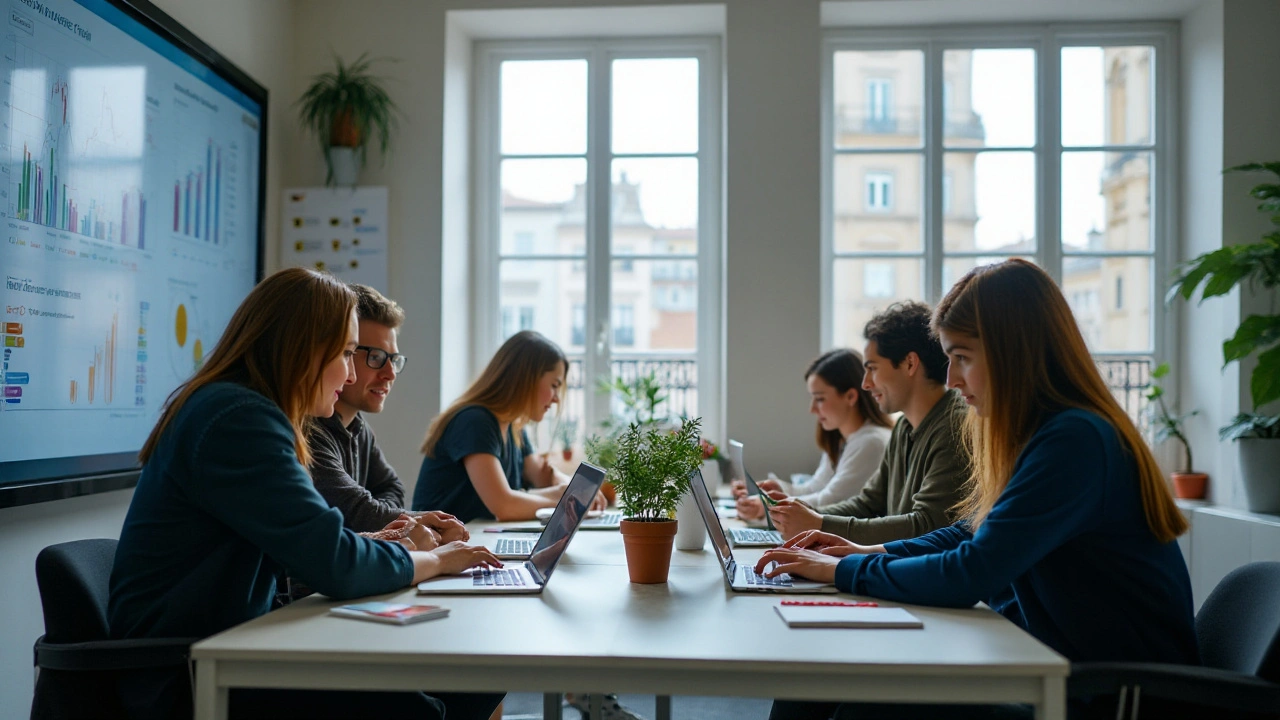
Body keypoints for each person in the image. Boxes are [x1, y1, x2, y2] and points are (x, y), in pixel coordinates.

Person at [758, 260, 1197, 720]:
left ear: (1015, 352)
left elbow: (973, 570)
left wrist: (841, 572)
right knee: (820, 679)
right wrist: (857, 553)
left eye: (962, 357)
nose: (950, 379)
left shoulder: (1075, 440)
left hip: (1110, 696)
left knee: (870, 710)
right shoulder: (1037, 434)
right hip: (1049, 669)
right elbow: (968, 533)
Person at [108, 267, 504, 720]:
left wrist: (378, 544)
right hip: (189, 672)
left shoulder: (247, 411)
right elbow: (333, 561)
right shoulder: (238, 419)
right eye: (347, 352)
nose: (351, 370)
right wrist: (438, 560)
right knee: (419, 709)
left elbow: (306, 546)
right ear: (305, 351)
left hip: (241, 643)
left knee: (471, 685)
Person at [763, 301, 970, 545]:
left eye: (872, 368)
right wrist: (805, 516)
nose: (866, 384)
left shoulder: (954, 427)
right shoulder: (904, 426)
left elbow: (926, 525)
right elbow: (869, 503)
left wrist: (819, 524)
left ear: (910, 364)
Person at [307, 283, 466, 544]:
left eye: (393, 359)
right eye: (377, 357)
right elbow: (356, 510)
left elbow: (390, 489)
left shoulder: (359, 428)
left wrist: (380, 517)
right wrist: (403, 523)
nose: (390, 373)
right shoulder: (309, 431)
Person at [413, 330, 603, 522]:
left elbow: (542, 476)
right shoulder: (474, 422)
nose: (555, 398)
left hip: (472, 540)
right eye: (554, 385)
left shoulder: (514, 428)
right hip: (438, 546)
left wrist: (579, 491)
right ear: (527, 379)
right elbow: (504, 506)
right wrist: (566, 498)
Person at [735, 348, 892, 521]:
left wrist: (767, 507)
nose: (812, 409)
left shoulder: (872, 443)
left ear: (850, 396)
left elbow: (831, 501)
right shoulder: (842, 440)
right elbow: (815, 488)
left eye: (820, 399)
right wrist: (778, 490)